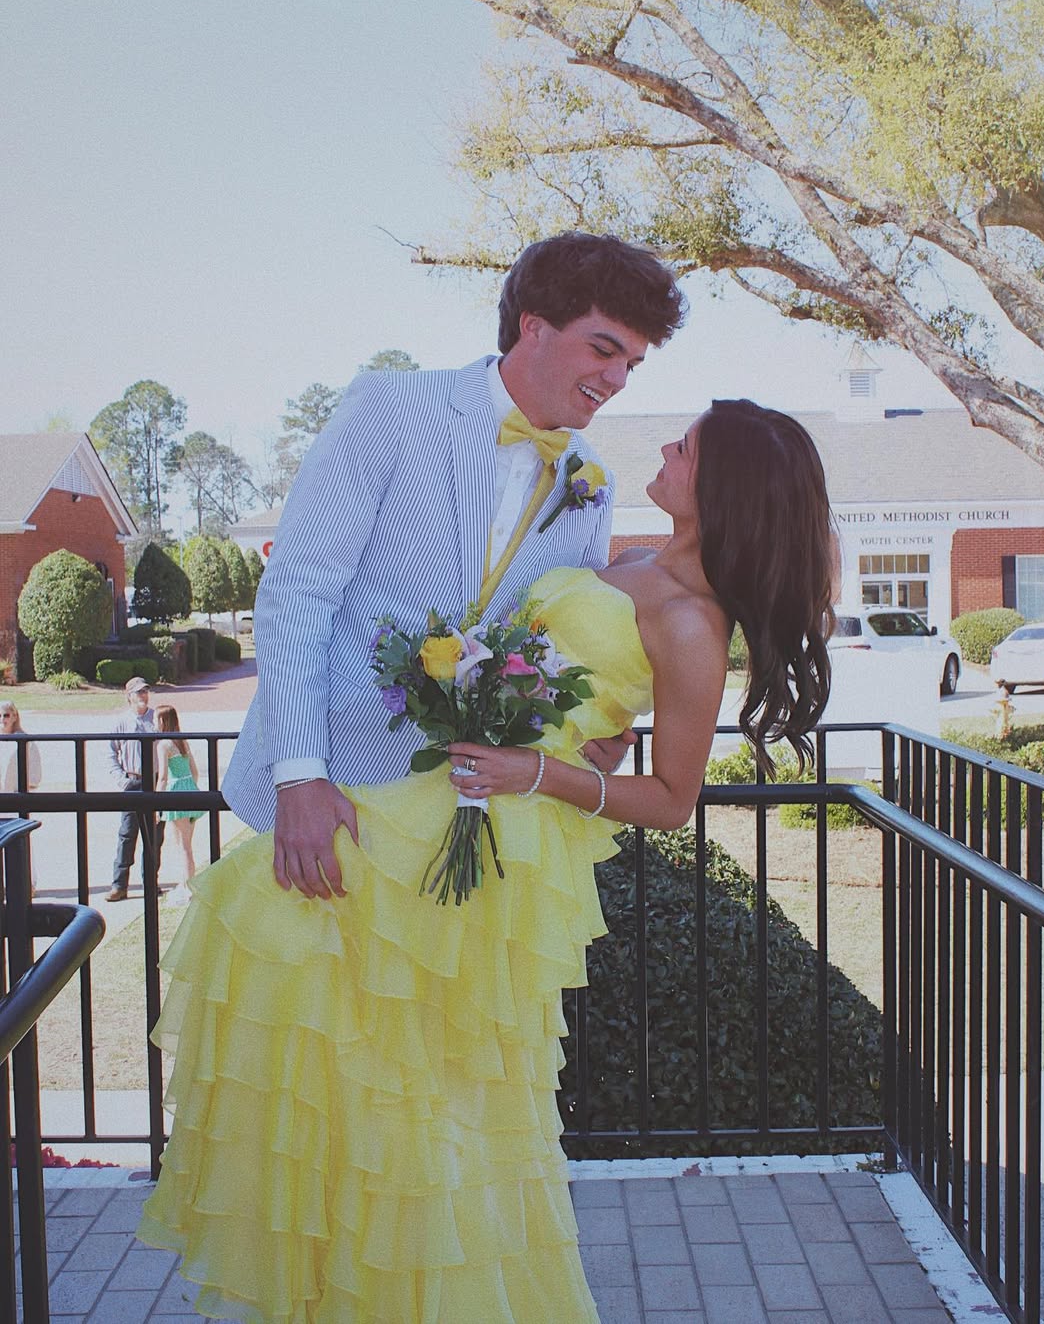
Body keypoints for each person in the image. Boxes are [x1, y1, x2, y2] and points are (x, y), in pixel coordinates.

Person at [137, 399, 836, 1322]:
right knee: (354, 1025)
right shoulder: (631, 557)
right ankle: (353, 1276)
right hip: (452, 798)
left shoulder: (694, 626)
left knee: (435, 1081)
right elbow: (586, 697)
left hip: (509, 839)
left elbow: (674, 799)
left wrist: (540, 769)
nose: (667, 449)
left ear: (726, 488)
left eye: (688, 447)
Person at [220, 231, 687, 901]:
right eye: (604, 350)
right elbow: (297, 595)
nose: (617, 381)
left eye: (632, 365)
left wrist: (600, 728)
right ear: (533, 326)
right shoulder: (390, 408)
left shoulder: (593, 481)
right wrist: (299, 776)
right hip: (331, 798)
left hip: (472, 824)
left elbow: (558, 638)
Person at [105, 676, 164, 902]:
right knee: (127, 835)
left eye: (145, 691)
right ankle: (119, 885)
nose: (143, 696)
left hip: (155, 781)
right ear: (129, 696)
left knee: (154, 836)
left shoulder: (156, 718)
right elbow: (110, 753)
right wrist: (122, 780)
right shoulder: (122, 722)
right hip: (132, 781)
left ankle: (150, 883)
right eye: (139, 692)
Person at [153, 705, 202, 908]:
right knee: (187, 844)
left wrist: (156, 803)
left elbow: (163, 776)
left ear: (162, 721)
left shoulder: (163, 745)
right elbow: (195, 771)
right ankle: (186, 883)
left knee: (182, 846)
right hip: (190, 788)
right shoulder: (182, 741)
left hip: (175, 791)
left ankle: (188, 887)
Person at [0, 700, 42, 795]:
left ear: (14, 717)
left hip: (16, 798)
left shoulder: (26, 742)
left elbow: (35, 778)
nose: (2, 719)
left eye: (6, 715)